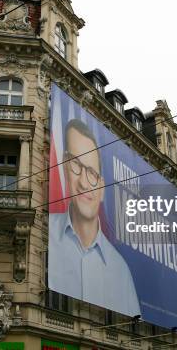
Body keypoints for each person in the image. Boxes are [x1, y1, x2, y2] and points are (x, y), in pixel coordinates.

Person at [49, 119, 140, 316]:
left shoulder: (121, 270)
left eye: (91, 172)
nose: (83, 182)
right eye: (75, 164)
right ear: (65, 168)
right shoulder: (44, 232)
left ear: (102, 187)